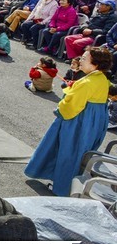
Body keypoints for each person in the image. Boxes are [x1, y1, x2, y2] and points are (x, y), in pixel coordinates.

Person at [25, 47, 112, 196]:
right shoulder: (103, 79)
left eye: (85, 59)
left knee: (67, 152)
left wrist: (59, 110)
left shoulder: (86, 82)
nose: (81, 61)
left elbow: (71, 106)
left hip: (78, 122)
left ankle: (61, 188)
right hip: (93, 123)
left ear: (95, 64)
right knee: (79, 155)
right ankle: (68, 185)